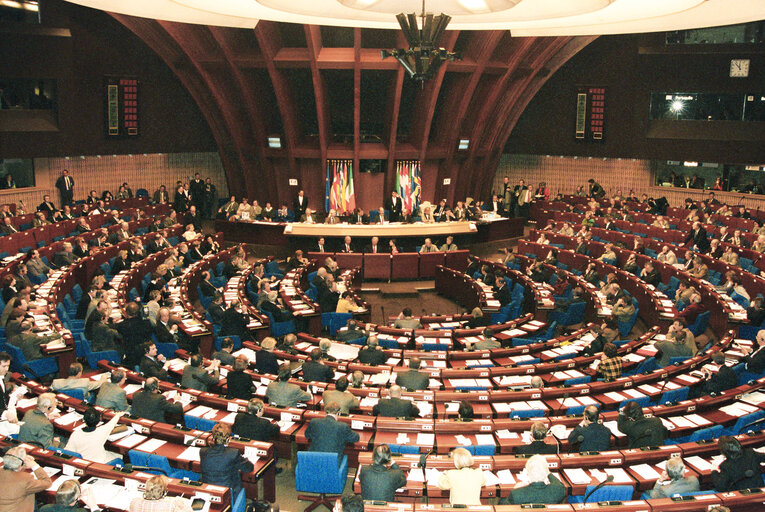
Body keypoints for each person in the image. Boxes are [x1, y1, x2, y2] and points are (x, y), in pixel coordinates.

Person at [200, 422, 254, 499]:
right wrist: (245, 459)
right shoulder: (233, 453)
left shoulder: (203, 452)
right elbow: (249, 468)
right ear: (228, 439)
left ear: (212, 438)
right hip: (228, 494)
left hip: (207, 493)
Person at [0, 446, 52, 512]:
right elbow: (47, 482)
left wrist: (22, 463)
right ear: (22, 463)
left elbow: (12, 473)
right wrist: (34, 465)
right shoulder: (26, 479)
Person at [500, 455, 566, 505]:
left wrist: (514, 489)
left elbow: (502, 507)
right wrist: (547, 472)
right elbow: (559, 485)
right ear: (546, 475)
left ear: (527, 474)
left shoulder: (516, 494)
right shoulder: (558, 490)